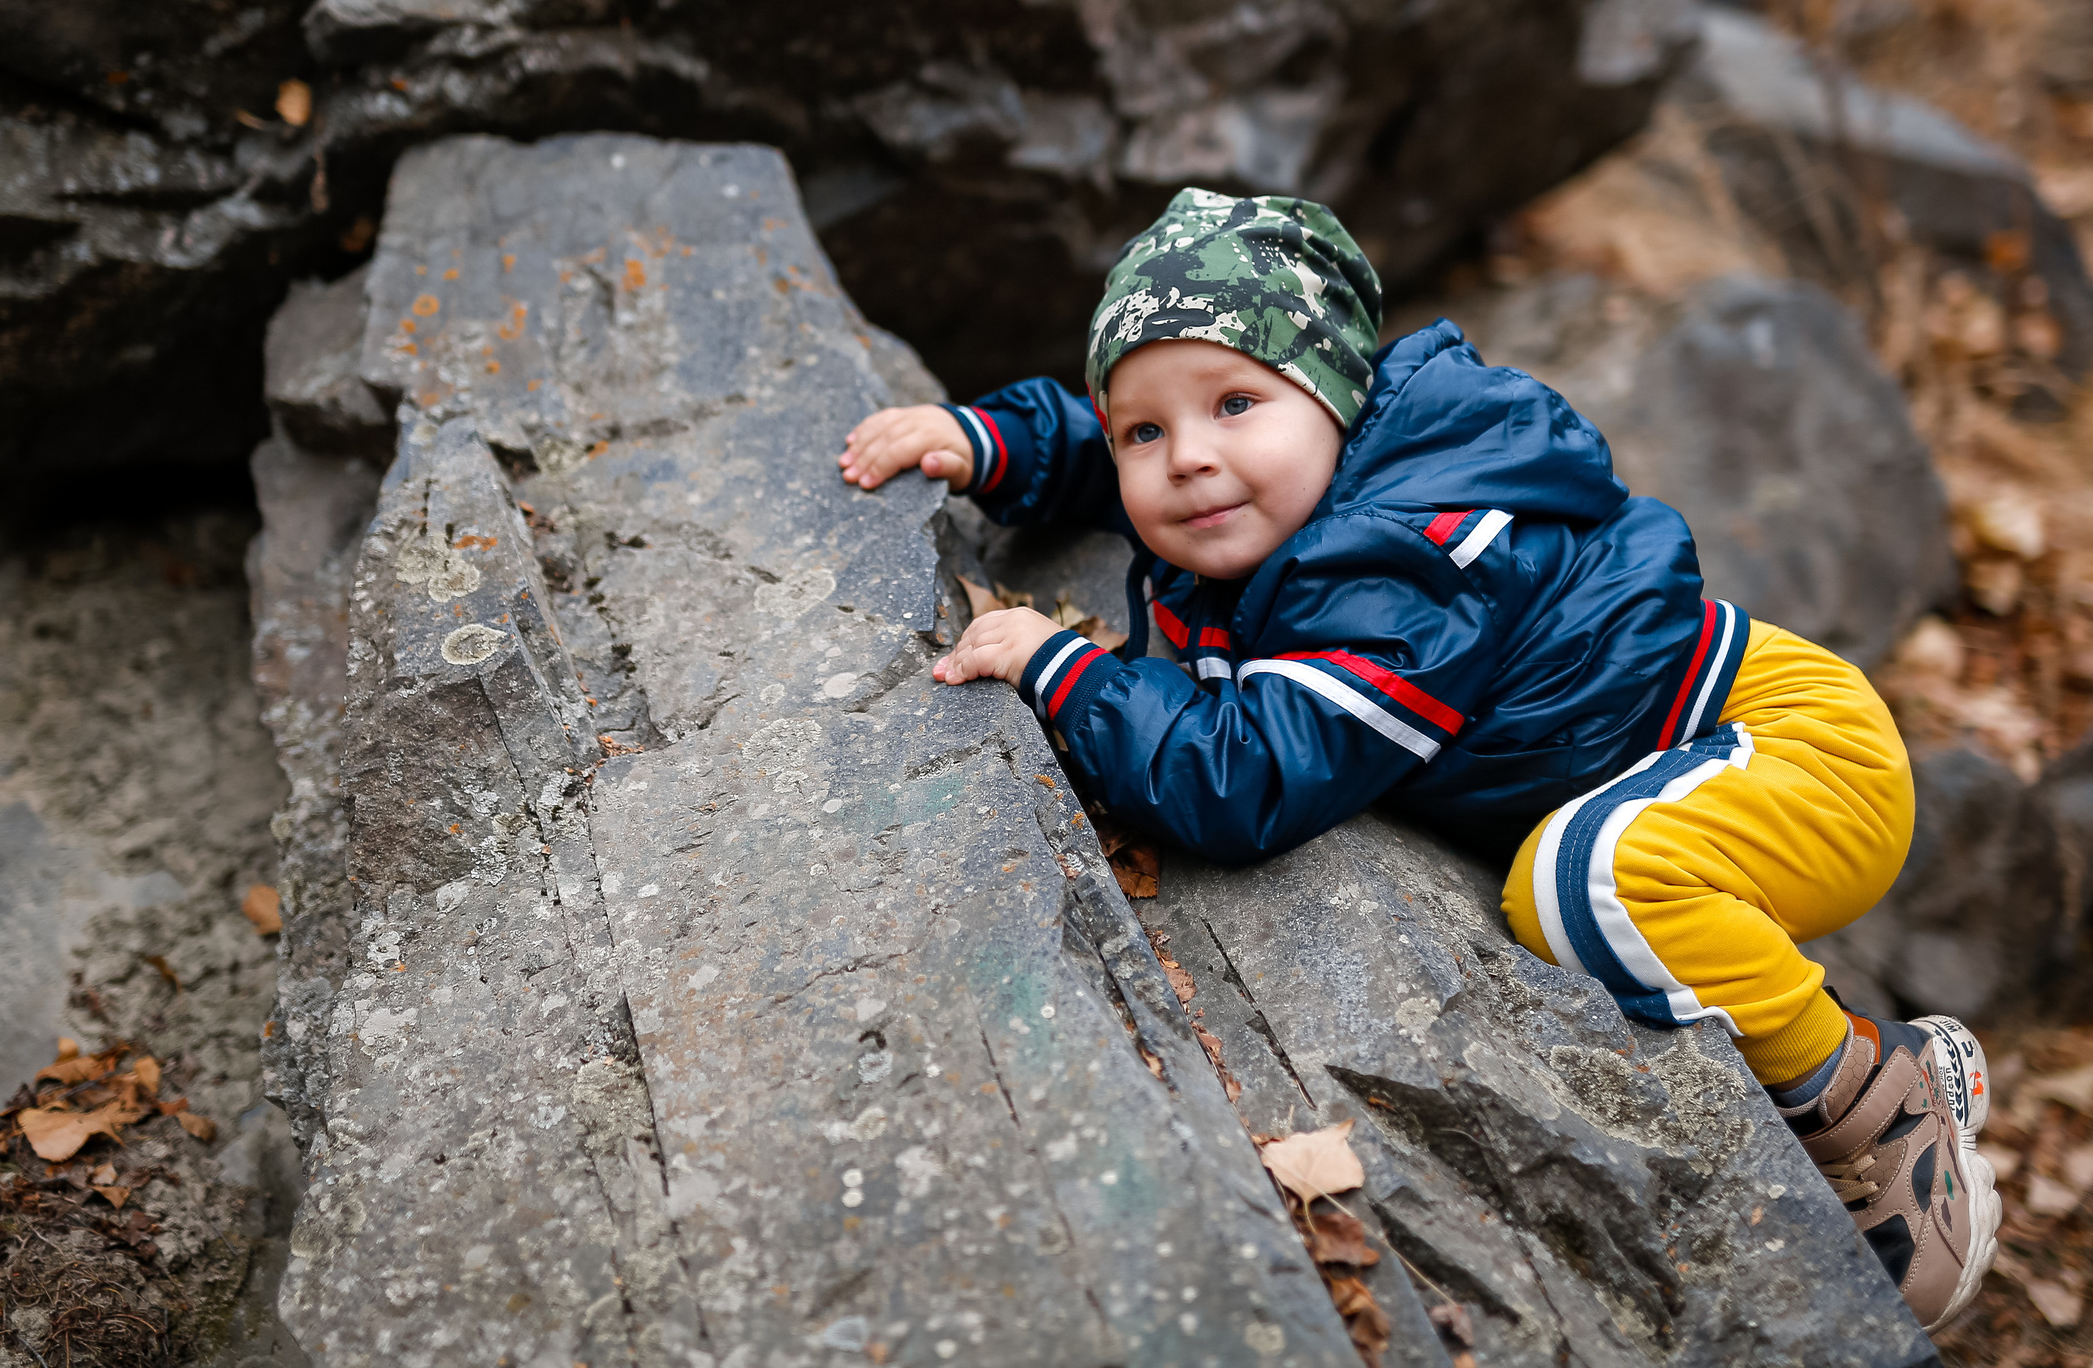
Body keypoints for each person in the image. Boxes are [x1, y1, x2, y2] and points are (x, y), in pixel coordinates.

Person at [839, 189, 2001, 1334]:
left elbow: (1248, 779)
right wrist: (994, 444)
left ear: (1338, 404)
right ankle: (1828, 1048)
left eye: (1235, 401)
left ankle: (1872, 1094)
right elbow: (1160, 443)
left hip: (1791, 747)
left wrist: (1067, 671)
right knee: (1580, 875)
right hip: (1715, 757)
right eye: (1149, 428)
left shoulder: (1413, 563)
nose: (1187, 458)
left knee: (1579, 888)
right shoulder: (1278, 473)